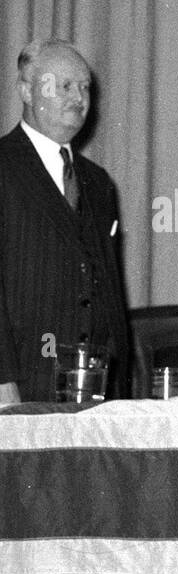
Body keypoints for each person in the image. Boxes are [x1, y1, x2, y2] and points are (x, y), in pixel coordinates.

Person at [0, 39, 129, 404]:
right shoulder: (4, 166)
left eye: (85, 87)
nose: (79, 97)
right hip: (23, 387)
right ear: (26, 90)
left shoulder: (99, 183)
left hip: (98, 396)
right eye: (65, 86)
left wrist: (123, 390)